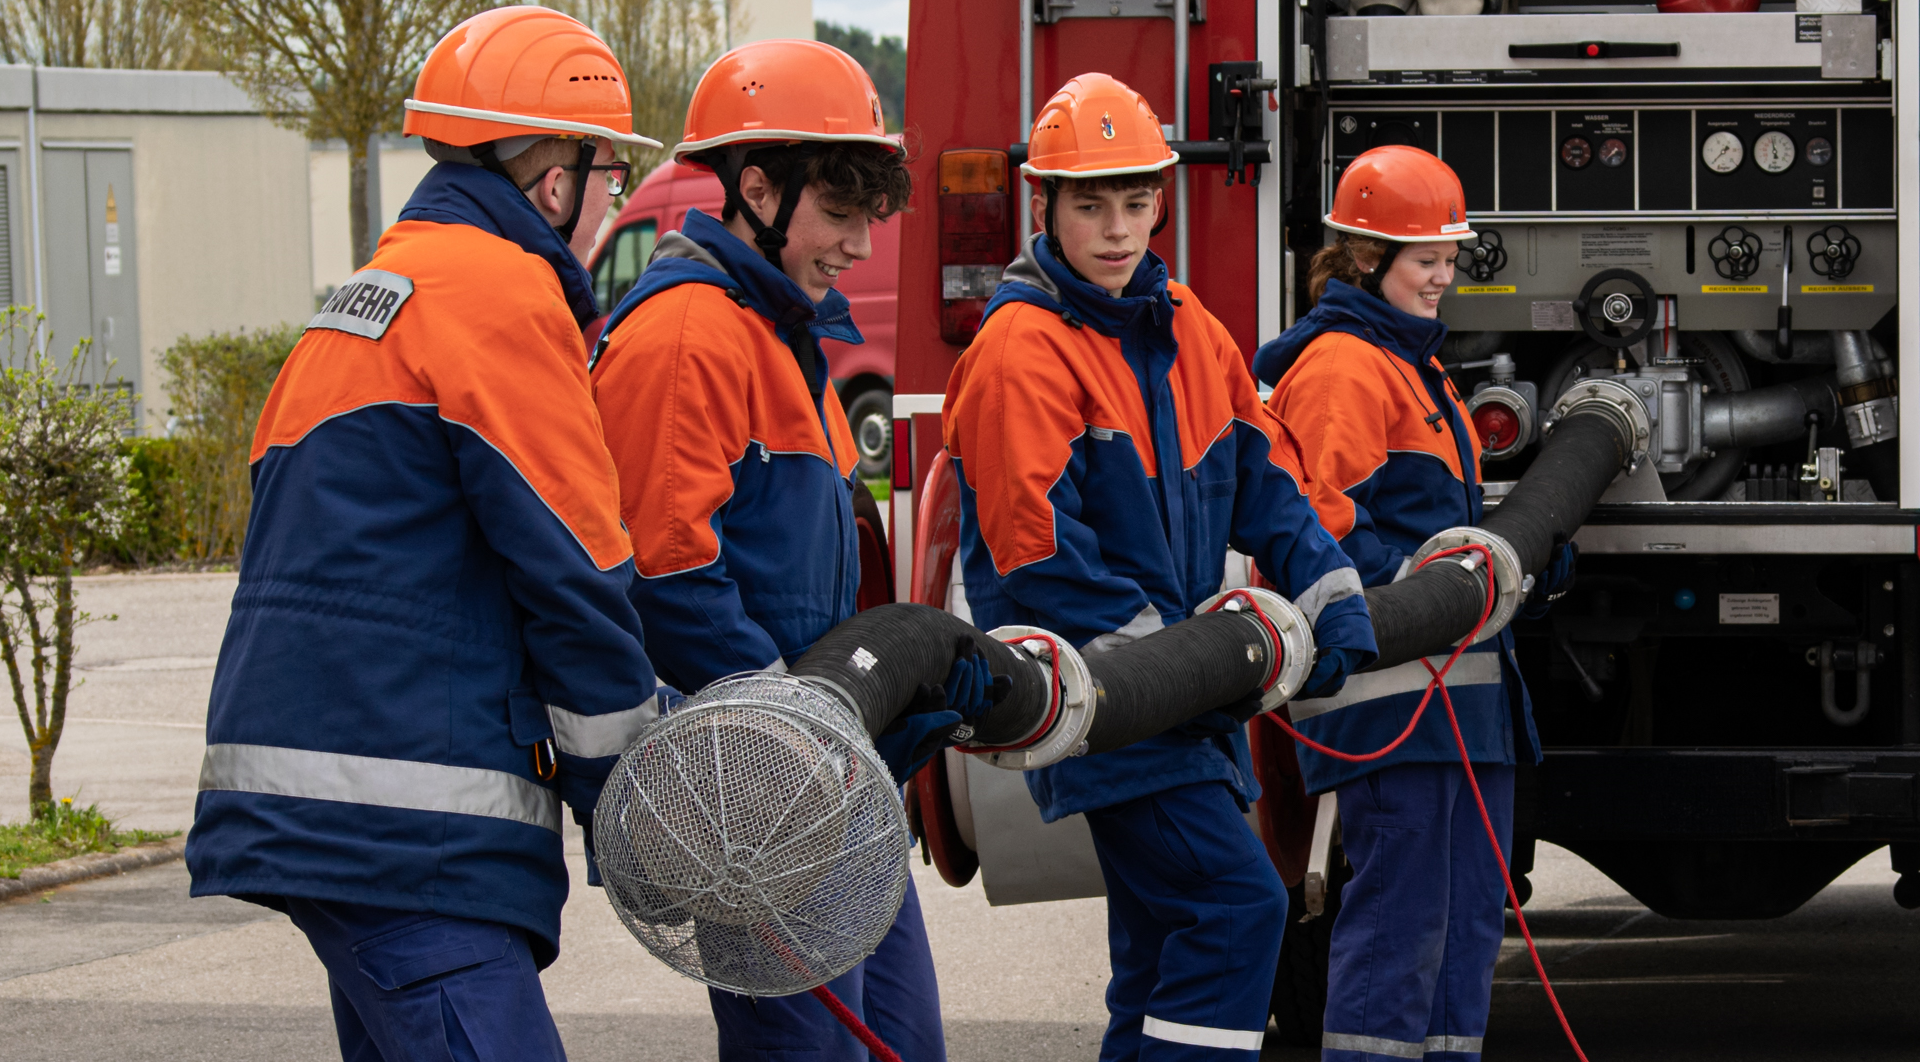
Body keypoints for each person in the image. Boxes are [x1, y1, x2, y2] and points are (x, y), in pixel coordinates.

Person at [185, 9, 676, 1059]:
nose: (611, 205)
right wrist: (643, 796)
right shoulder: (499, 295)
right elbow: (574, 570)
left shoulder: (374, 292)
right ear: (555, 177)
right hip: (409, 823)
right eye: (611, 180)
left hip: (343, 798)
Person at [942, 73, 1378, 1062]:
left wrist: (1335, 603)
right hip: (1107, 701)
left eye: (1134, 202)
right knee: (1235, 910)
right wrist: (1185, 676)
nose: (1115, 227)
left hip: (1175, 701)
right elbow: (1040, 563)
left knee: (1156, 953)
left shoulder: (1189, 327)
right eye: (1089, 203)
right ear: (1043, 205)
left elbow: (1273, 487)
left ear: (1162, 199)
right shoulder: (1020, 350)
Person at [590, 38, 981, 1062]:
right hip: (763, 786)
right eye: (839, 215)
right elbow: (668, 576)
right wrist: (794, 736)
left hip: (823, 764)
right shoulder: (687, 335)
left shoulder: (771, 330)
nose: (859, 245)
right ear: (755, 189)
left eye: (868, 217)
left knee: (899, 1044)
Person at [1254, 145, 1575, 1062]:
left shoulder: (1411, 366)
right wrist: (1443, 574)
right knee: (1399, 935)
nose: (1443, 276)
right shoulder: (1345, 369)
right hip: (1393, 705)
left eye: (1448, 257)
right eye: (1424, 259)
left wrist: (1515, 562)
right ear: (1363, 257)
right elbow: (1317, 541)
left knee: (1464, 931)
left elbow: (1438, 526)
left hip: (1458, 707)